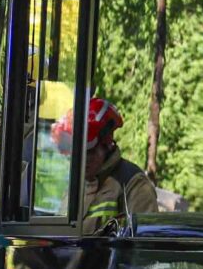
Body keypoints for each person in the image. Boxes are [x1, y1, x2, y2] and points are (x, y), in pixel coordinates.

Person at [56, 94, 161, 229]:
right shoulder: (76, 184)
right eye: (78, 153)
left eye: (90, 152)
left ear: (107, 145)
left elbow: (144, 242)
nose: (83, 160)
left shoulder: (134, 184)